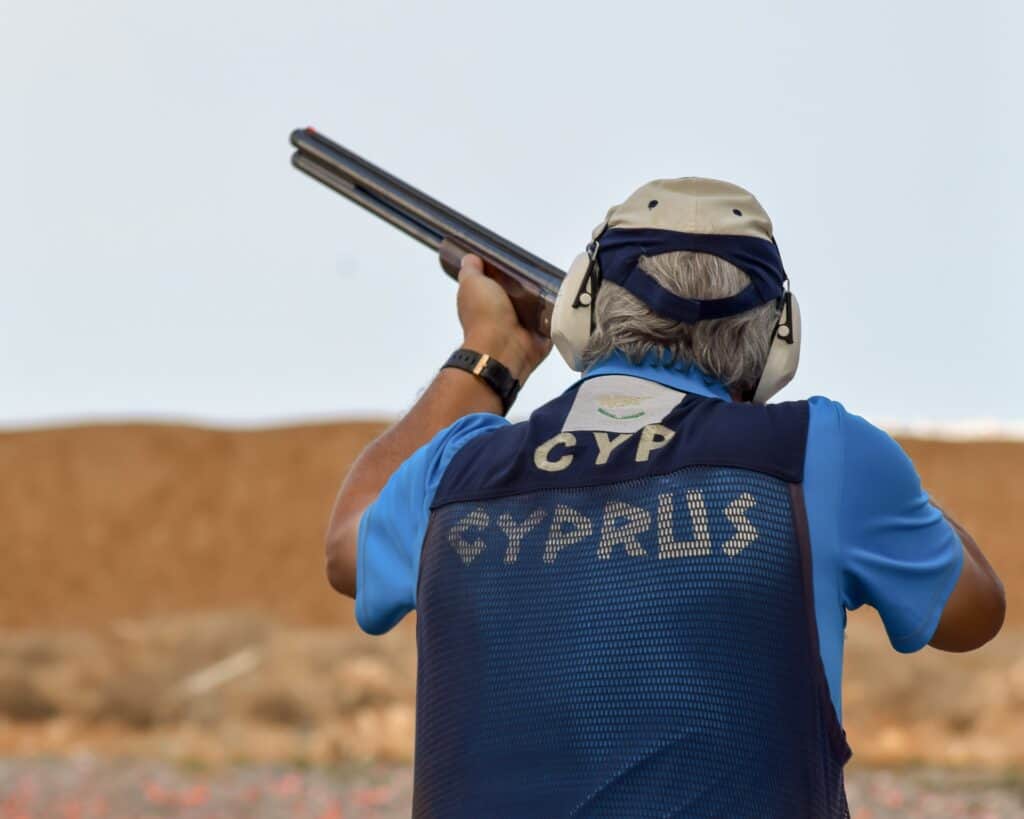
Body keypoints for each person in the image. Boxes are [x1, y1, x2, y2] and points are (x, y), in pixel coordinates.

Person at [324, 178, 1005, 818]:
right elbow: (972, 610)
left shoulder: (456, 465)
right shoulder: (818, 451)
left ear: (584, 310)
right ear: (778, 337)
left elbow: (349, 541)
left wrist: (486, 353)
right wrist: (865, 476)